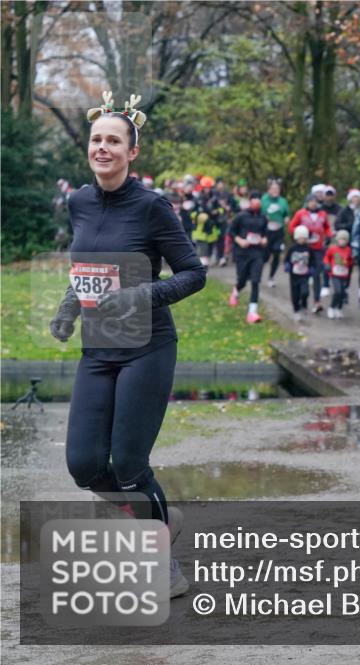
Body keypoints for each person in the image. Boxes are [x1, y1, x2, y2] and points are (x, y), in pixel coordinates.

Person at [48, 91, 206, 598]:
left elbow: (194, 274)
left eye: (114, 140)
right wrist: (69, 307)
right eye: (97, 139)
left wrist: (143, 294)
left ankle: (163, 564)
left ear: (132, 151)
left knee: (129, 465)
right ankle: (158, 518)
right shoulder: (78, 201)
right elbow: (89, 269)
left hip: (147, 346)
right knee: (85, 465)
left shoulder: (152, 206)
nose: (103, 147)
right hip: (98, 348)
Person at [228, 191, 269, 323]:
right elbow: (231, 231)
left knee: (256, 281)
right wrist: (239, 240)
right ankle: (236, 290)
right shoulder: (241, 216)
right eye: (254, 199)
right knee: (243, 280)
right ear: (250, 201)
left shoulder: (263, 217)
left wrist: (264, 239)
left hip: (257, 252)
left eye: (259, 199)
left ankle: (252, 313)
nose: (257, 202)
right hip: (242, 253)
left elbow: (265, 233)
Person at [289, 194, 331, 314]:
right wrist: (300, 235)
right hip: (304, 249)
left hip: (318, 249)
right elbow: (291, 227)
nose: (313, 203)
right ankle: (303, 299)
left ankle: (317, 302)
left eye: (315, 201)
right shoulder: (300, 213)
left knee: (317, 275)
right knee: (303, 276)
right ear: (307, 202)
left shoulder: (323, 214)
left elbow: (327, 227)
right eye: (311, 201)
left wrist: (328, 235)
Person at [261, 180, 290, 288]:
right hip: (267, 231)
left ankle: (271, 277)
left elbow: (286, 214)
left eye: (277, 189)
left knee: (277, 253)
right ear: (268, 190)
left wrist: (287, 218)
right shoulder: (264, 199)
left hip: (279, 231)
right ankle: (257, 273)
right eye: (273, 189)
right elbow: (259, 212)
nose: (275, 191)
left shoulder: (283, 201)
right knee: (265, 255)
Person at [284, 225, 316, 324]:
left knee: (305, 292)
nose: (302, 239)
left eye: (304, 237)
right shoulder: (292, 249)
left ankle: (304, 304)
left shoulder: (309, 249)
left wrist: (311, 269)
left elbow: (313, 261)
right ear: (296, 237)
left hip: (304, 275)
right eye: (300, 237)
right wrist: (287, 266)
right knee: (295, 294)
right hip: (294, 275)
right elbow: (287, 259)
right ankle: (296, 310)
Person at [324, 230, 353, 319]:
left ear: (347, 241)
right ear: (337, 239)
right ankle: (331, 308)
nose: (342, 241)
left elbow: (350, 261)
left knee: (343, 293)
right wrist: (327, 264)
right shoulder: (332, 249)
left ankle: (339, 309)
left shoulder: (348, 250)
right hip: (335, 274)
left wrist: (350, 263)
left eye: (344, 240)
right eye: (340, 239)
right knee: (338, 291)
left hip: (344, 275)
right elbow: (326, 258)